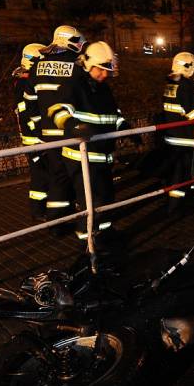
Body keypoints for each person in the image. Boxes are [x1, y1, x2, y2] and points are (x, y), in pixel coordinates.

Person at [54, 41, 127, 244]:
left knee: (106, 198)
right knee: (91, 202)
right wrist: (73, 126)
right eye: (101, 70)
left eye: (107, 71)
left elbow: (114, 113)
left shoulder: (103, 89)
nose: (105, 75)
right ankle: (88, 243)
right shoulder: (73, 85)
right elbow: (58, 112)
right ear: (89, 64)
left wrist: (124, 125)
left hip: (102, 155)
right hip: (82, 156)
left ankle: (105, 234)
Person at [31, 25, 87, 226]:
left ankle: (55, 223)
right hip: (71, 129)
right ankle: (84, 218)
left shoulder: (38, 66)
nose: (80, 46)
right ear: (66, 40)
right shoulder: (76, 65)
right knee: (79, 176)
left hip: (48, 132)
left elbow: (33, 100)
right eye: (77, 41)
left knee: (57, 177)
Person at [162, 51, 194, 213]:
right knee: (182, 173)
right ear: (187, 67)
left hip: (171, 137)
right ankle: (176, 206)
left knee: (175, 171)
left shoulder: (170, 84)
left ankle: (175, 200)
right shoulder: (186, 86)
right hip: (185, 138)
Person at [13, 43, 49, 221]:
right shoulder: (24, 84)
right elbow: (26, 113)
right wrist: (39, 135)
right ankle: (38, 211)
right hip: (33, 139)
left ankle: (44, 207)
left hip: (37, 137)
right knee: (40, 175)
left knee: (46, 172)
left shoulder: (28, 81)